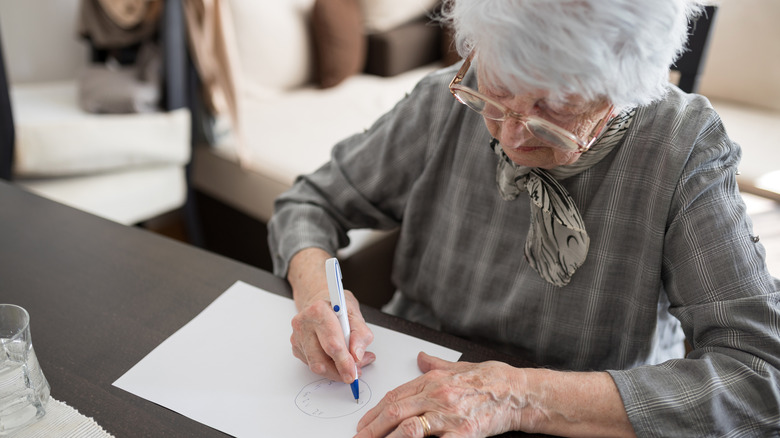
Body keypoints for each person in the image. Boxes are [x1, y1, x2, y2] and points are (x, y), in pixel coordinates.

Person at [267, 0, 780, 436]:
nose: (511, 137)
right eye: (496, 90)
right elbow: (310, 203)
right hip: (405, 383)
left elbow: (761, 374)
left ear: (625, 87)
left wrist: (516, 396)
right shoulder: (442, 100)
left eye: (553, 106)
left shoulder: (681, 146)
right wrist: (317, 296)